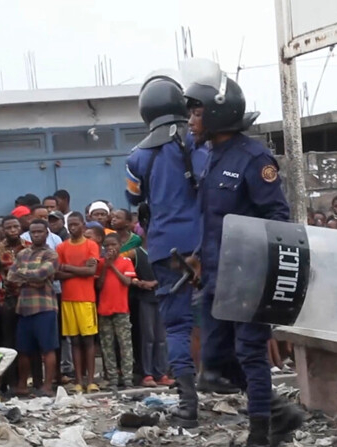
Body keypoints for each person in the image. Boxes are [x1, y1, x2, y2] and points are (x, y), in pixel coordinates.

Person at [184, 59, 303, 446]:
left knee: (251, 353)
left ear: (218, 113)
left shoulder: (254, 159)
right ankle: (279, 411)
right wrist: (200, 257)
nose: (191, 121)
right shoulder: (212, 157)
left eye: (197, 112)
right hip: (217, 276)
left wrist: (261, 272)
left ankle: (261, 432)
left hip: (248, 276)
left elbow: (277, 215)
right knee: (215, 365)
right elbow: (214, 218)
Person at [125, 70, 207, 428]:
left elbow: (131, 197)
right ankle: (254, 397)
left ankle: (188, 407)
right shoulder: (197, 143)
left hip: (163, 250)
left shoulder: (136, 157)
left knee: (175, 327)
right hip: (205, 245)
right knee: (224, 319)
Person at [7, 219, 60, 397]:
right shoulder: (22, 253)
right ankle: (22, 385)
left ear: (46, 233)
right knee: (23, 349)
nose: (36, 235)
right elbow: (10, 276)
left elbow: (41, 274)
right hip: (24, 308)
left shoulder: (51, 255)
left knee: (48, 348)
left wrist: (26, 275)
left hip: (44, 307)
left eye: (40, 232)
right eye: (33, 232)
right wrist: (32, 278)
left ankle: (47, 386)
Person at [56, 213, 100, 394]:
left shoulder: (91, 245)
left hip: (86, 298)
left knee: (88, 340)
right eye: (70, 225)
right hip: (68, 299)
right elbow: (56, 274)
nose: (72, 228)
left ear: (83, 224)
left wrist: (68, 268)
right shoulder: (61, 247)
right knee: (74, 340)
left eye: (75, 224)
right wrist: (80, 270)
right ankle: (78, 381)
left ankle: (91, 380)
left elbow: (92, 271)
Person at [0, 216, 31, 391]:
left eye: (16, 226)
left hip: (28, 298)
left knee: (27, 340)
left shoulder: (29, 247)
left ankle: (30, 380)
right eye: (9, 227)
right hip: (7, 299)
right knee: (8, 341)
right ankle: (10, 382)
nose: (13, 230)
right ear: (3, 229)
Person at [96, 234, 136, 391]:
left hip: (121, 309)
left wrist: (112, 266)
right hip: (104, 310)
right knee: (107, 346)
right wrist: (105, 267)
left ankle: (127, 378)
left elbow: (127, 282)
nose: (110, 248)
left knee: (125, 345)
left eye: (113, 244)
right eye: (107, 245)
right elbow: (98, 285)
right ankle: (112, 378)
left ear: (120, 245)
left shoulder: (126, 262)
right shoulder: (101, 264)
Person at [130, 245, 172, 388]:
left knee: (161, 338)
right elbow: (127, 271)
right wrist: (138, 282)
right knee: (148, 338)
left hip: (161, 297)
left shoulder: (164, 250)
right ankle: (147, 374)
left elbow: (172, 273)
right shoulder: (136, 253)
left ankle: (161, 373)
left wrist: (156, 282)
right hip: (144, 298)